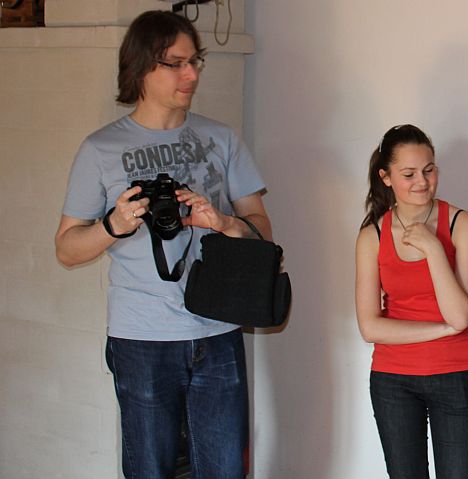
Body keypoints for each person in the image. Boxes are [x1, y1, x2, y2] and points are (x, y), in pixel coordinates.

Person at [54, 11, 270, 478]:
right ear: (141, 67)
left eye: (195, 62)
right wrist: (114, 225)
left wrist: (223, 221)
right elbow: (67, 248)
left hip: (218, 330)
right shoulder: (100, 149)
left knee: (226, 470)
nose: (191, 75)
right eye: (175, 64)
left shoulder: (221, 138)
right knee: (149, 469)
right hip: (141, 337)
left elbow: (262, 232)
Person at [355, 124, 468, 478]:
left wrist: (433, 249)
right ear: (386, 178)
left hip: (457, 371)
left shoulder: (462, 224)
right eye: (409, 174)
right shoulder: (372, 236)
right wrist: (443, 329)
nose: (422, 182)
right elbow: (370, 327)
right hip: (393, 379)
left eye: (429, 170)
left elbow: (460, 314)